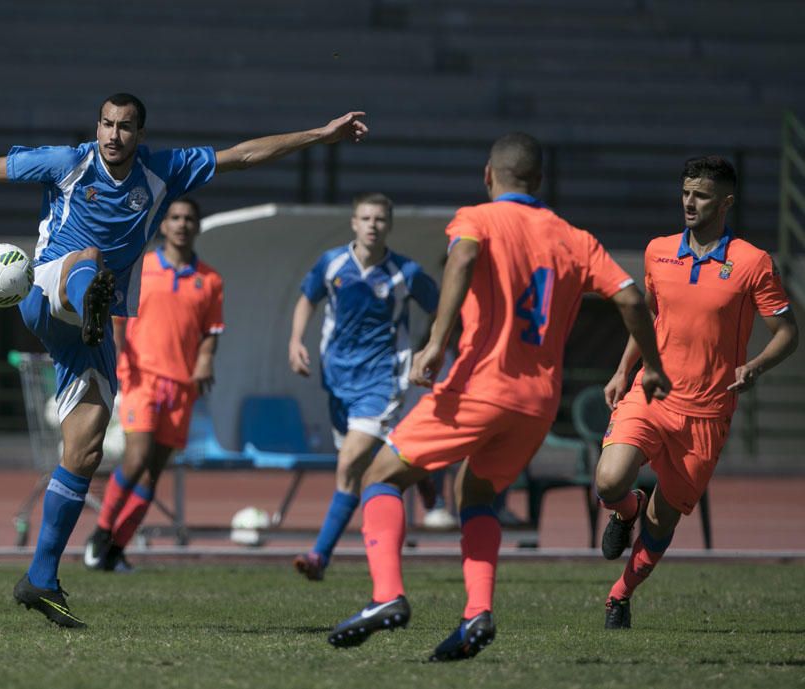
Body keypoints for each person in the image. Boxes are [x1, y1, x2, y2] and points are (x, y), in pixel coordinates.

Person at [0, 94, 368, 628]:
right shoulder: (68, 162)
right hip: (47, 292)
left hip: (90, 331)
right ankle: (91, 301)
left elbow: (242, 154)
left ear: (139, 134)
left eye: (125, 127)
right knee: (90, 259)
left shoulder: (163, 170)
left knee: (84, 449)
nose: (113, 134)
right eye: (106, 123)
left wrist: (319, 134)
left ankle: (41, 578)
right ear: (96, 126)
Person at [326, 132, 671, 661]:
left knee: (380, 477)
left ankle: (386, 596)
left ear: (489, 175)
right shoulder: (575, 238)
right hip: (536, 404)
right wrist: (651, 364)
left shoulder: (478, 219)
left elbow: (462, 261)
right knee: (477, 495)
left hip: (479, 385)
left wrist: (437, 343)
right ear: (541, 181)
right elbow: (629, 297)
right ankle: (476, 614)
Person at [596, 156, 798, 630]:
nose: (690, 201)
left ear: (726, 201)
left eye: (702, 195)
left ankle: (619, 596)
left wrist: (755, 366)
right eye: (686, 191)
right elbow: (645, 318)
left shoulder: (751, 262)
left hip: (707, 413)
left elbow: (788, 332)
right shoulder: (657, 251)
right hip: (652, 394)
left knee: (663, 520)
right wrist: (622, 370)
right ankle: (624, 514)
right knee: (609, 480)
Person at [288, 193, 439, 581]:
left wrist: (429, 347)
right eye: (365, 218)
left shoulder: (405, 272)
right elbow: (307, 298)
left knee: (349, 464)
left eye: (380, 219)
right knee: (356, 470)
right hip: (338, 380)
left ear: (388, 226)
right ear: (354, 223)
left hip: (382, 379)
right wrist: (295, 341)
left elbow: (441, 307)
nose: (372, 225)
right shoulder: (332, 263)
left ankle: (319, 554)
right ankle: (419, 467)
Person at [83, 197, 222, 573]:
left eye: (188, 218)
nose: (181, 224)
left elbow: (212, 330)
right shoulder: (141, 269)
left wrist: (206, 358)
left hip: (181, 386)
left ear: (197, 226)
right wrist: (118, 359)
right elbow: (116, 319)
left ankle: (116, 549)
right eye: (174, 217)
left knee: (152, 473)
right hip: (141, 378)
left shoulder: (208, 280)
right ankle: (100, 532)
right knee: (136, 458)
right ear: (163, 225)